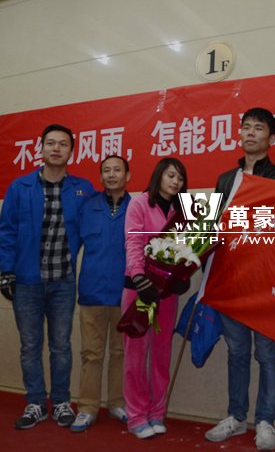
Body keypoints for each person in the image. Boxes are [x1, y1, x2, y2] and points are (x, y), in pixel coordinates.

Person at [205, 107, 275, 451]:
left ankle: (266, 421)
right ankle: (236, 416)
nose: (251, 133)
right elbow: (211, 227)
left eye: (258, 128)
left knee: (267, 353)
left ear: (271, 137)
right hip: (231, 279)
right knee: (237, 352)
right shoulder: (225, 179)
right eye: (246, 127)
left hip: (266, 279)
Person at [0, 123, 94, 429]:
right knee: (30, 345)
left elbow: (99, 225)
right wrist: (6, 271)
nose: (56, 148)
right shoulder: (20, 187)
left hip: (63, 281)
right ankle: (36, 402)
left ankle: (61, 400)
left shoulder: (83, 189)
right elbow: (7, 232)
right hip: (27, 281)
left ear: (71, 151)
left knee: (61, 345)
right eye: (50, 143)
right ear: (40, 148)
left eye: (63, 144)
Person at [121, 157, 188, 439]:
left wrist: (183, 276)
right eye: (171, 175)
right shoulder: (139, 203)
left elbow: (186, 249)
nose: (176, 182)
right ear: (159, 175)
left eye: (180, 178)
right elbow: (133, 241)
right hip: (140, 290)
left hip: (167, 295)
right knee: (136, 356)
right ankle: (136, 415)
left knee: (161, 355)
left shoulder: (182, 211)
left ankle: (157, 413)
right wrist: (139, 277)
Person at [70, 155, 131, 432]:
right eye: (106, 170)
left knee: (120, 353)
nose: (112, 174)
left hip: (125, 294)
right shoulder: (87, 206)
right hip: (92, 292)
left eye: (117, 169)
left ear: (127, 175)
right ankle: (87, 408)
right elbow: (73, 245)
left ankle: (117, 403)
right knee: (91, 354)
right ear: (101, 176)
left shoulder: (137, 207)